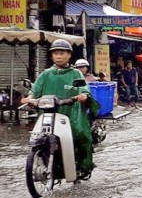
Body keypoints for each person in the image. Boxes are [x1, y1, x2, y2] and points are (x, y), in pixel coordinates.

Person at [20, 39, 96, 178]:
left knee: (82, 135)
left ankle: (85, 167)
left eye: (62, 53)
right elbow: (35, 91)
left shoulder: (75, 73)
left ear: (69, 55)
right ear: (51, 56)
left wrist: (83, 95)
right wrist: (30, 98)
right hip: (47, 112)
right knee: (40, 135)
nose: (58, 56)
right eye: (55, 53)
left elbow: (84, 89)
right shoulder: (46, 74)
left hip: (71, 113)